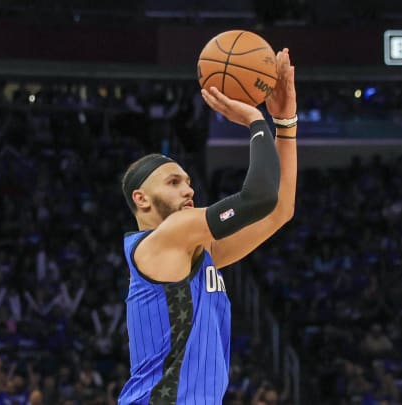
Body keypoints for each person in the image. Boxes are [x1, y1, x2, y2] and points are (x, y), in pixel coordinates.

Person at [117, 48, 297, 404]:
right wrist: (254, 121)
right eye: (173, 183)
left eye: (187, 181)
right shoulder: (164, 238)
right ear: (141, 199)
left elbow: (279, 210)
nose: (188, 189)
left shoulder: (198, 251)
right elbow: (258, 197)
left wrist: (286, 124)